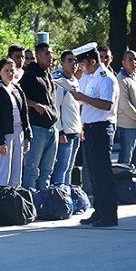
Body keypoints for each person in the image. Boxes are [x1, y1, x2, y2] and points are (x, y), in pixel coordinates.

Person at [73, 44, 119, 227]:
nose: (80, 68)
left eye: (83, 64)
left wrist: (83, 97)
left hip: (102, 128)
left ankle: (109, 215)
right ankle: (99, 210)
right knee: (93, 173)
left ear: (92, 61)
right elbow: (84, 104)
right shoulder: (88, 77)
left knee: (103, 173)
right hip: (90, 128)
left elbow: (107, 105)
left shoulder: (105, 78)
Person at [0, 58, 32, 187]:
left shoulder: (16, 88)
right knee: (4, 168)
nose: (10, 73)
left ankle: (15, 197)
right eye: (6, 71)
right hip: (4, 133)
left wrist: (27, 136)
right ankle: (2, 197)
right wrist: (0, 141)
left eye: (12, 70)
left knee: (17, 169)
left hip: (19, 131)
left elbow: (24, 113)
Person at [20, 42, 58, 190]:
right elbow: (20, 97)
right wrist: (35, 104)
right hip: (37, 127)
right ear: (38, 56)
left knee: (47, 171)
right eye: (47, 53)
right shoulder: (30, 75)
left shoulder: (48, 74)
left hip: (52, 128)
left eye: (51, 53)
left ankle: (44, 202)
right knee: (32, 169)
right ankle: (32, 205)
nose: (51, 57)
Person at [52, 51, 82, 185]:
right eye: (69, 61)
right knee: (61, 168)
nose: (73, 64)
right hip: (65, 133)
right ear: (62, 63)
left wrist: (80, 128)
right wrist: (60, 131)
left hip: (75, 131)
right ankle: (60, 197)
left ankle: (67, 195)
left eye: (75, 61)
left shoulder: (75, 80)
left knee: (70, 168)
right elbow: (56, 109)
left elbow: (76, 108)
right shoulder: (59, 82)